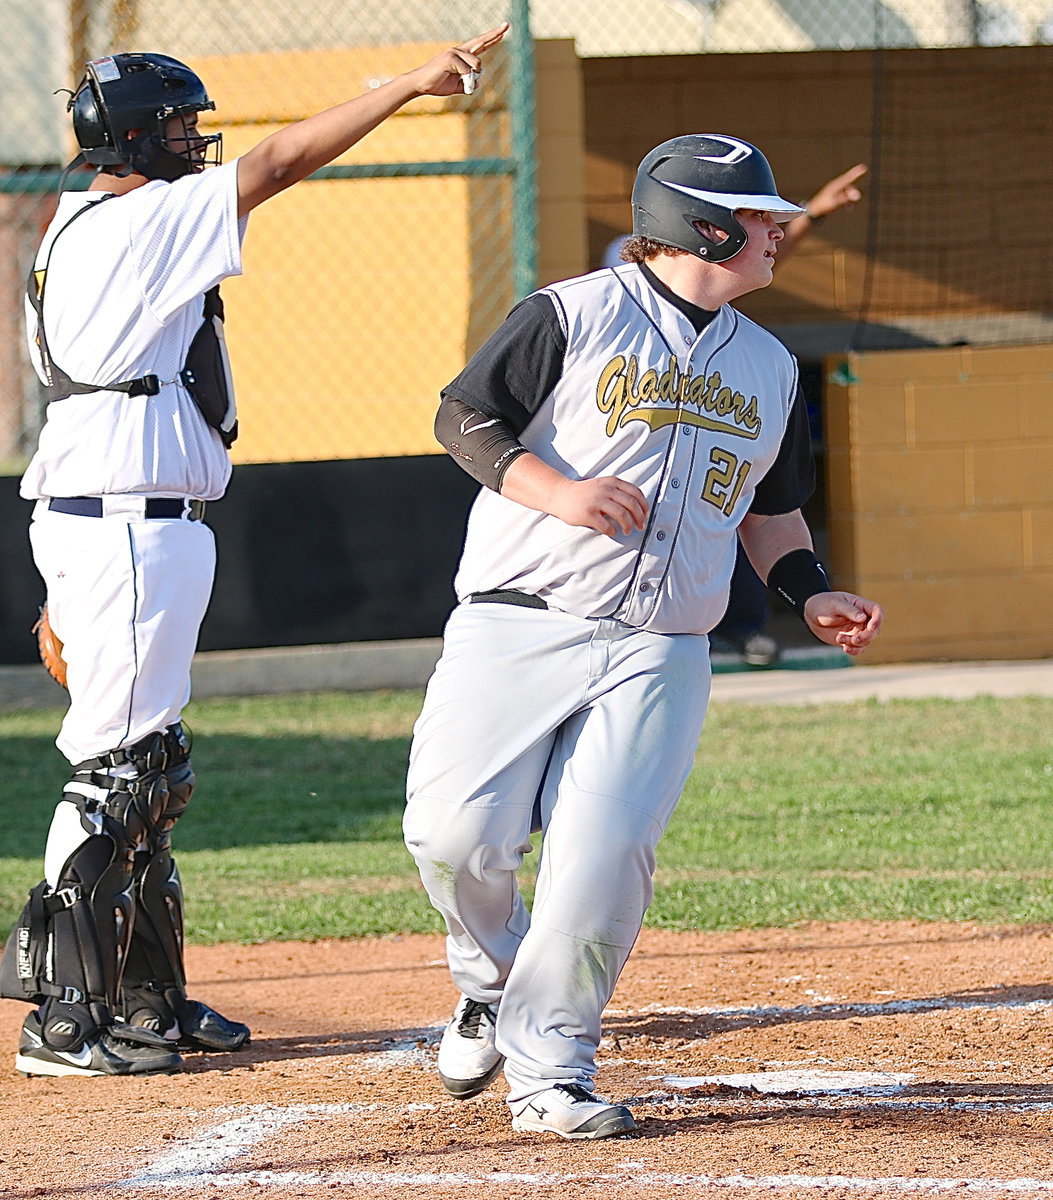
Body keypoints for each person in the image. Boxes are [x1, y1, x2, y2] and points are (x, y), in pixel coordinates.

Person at [0, 24, 509, 1079]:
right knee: (117, 774)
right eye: (180, 125)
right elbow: (280, 163)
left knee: (153, 771)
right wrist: (408, 86)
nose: (198, 140)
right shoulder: (131, 220)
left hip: (120, 519)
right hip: (122, 524)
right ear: (136, 141)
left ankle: (146, 999)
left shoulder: (92, 222)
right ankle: (60, 1015)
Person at [403, 133, 882, 1140]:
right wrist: (562, 494)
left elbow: (774, 512)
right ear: (700, 226)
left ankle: (551, 1071)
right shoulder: (571, 315)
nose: (777, 229)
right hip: (520, 618)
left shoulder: (769, 366)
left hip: (665, 644)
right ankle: (490, 977)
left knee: (605, 854)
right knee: (453, 839)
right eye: (758, 215)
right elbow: (465, 419)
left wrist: (811, 593)